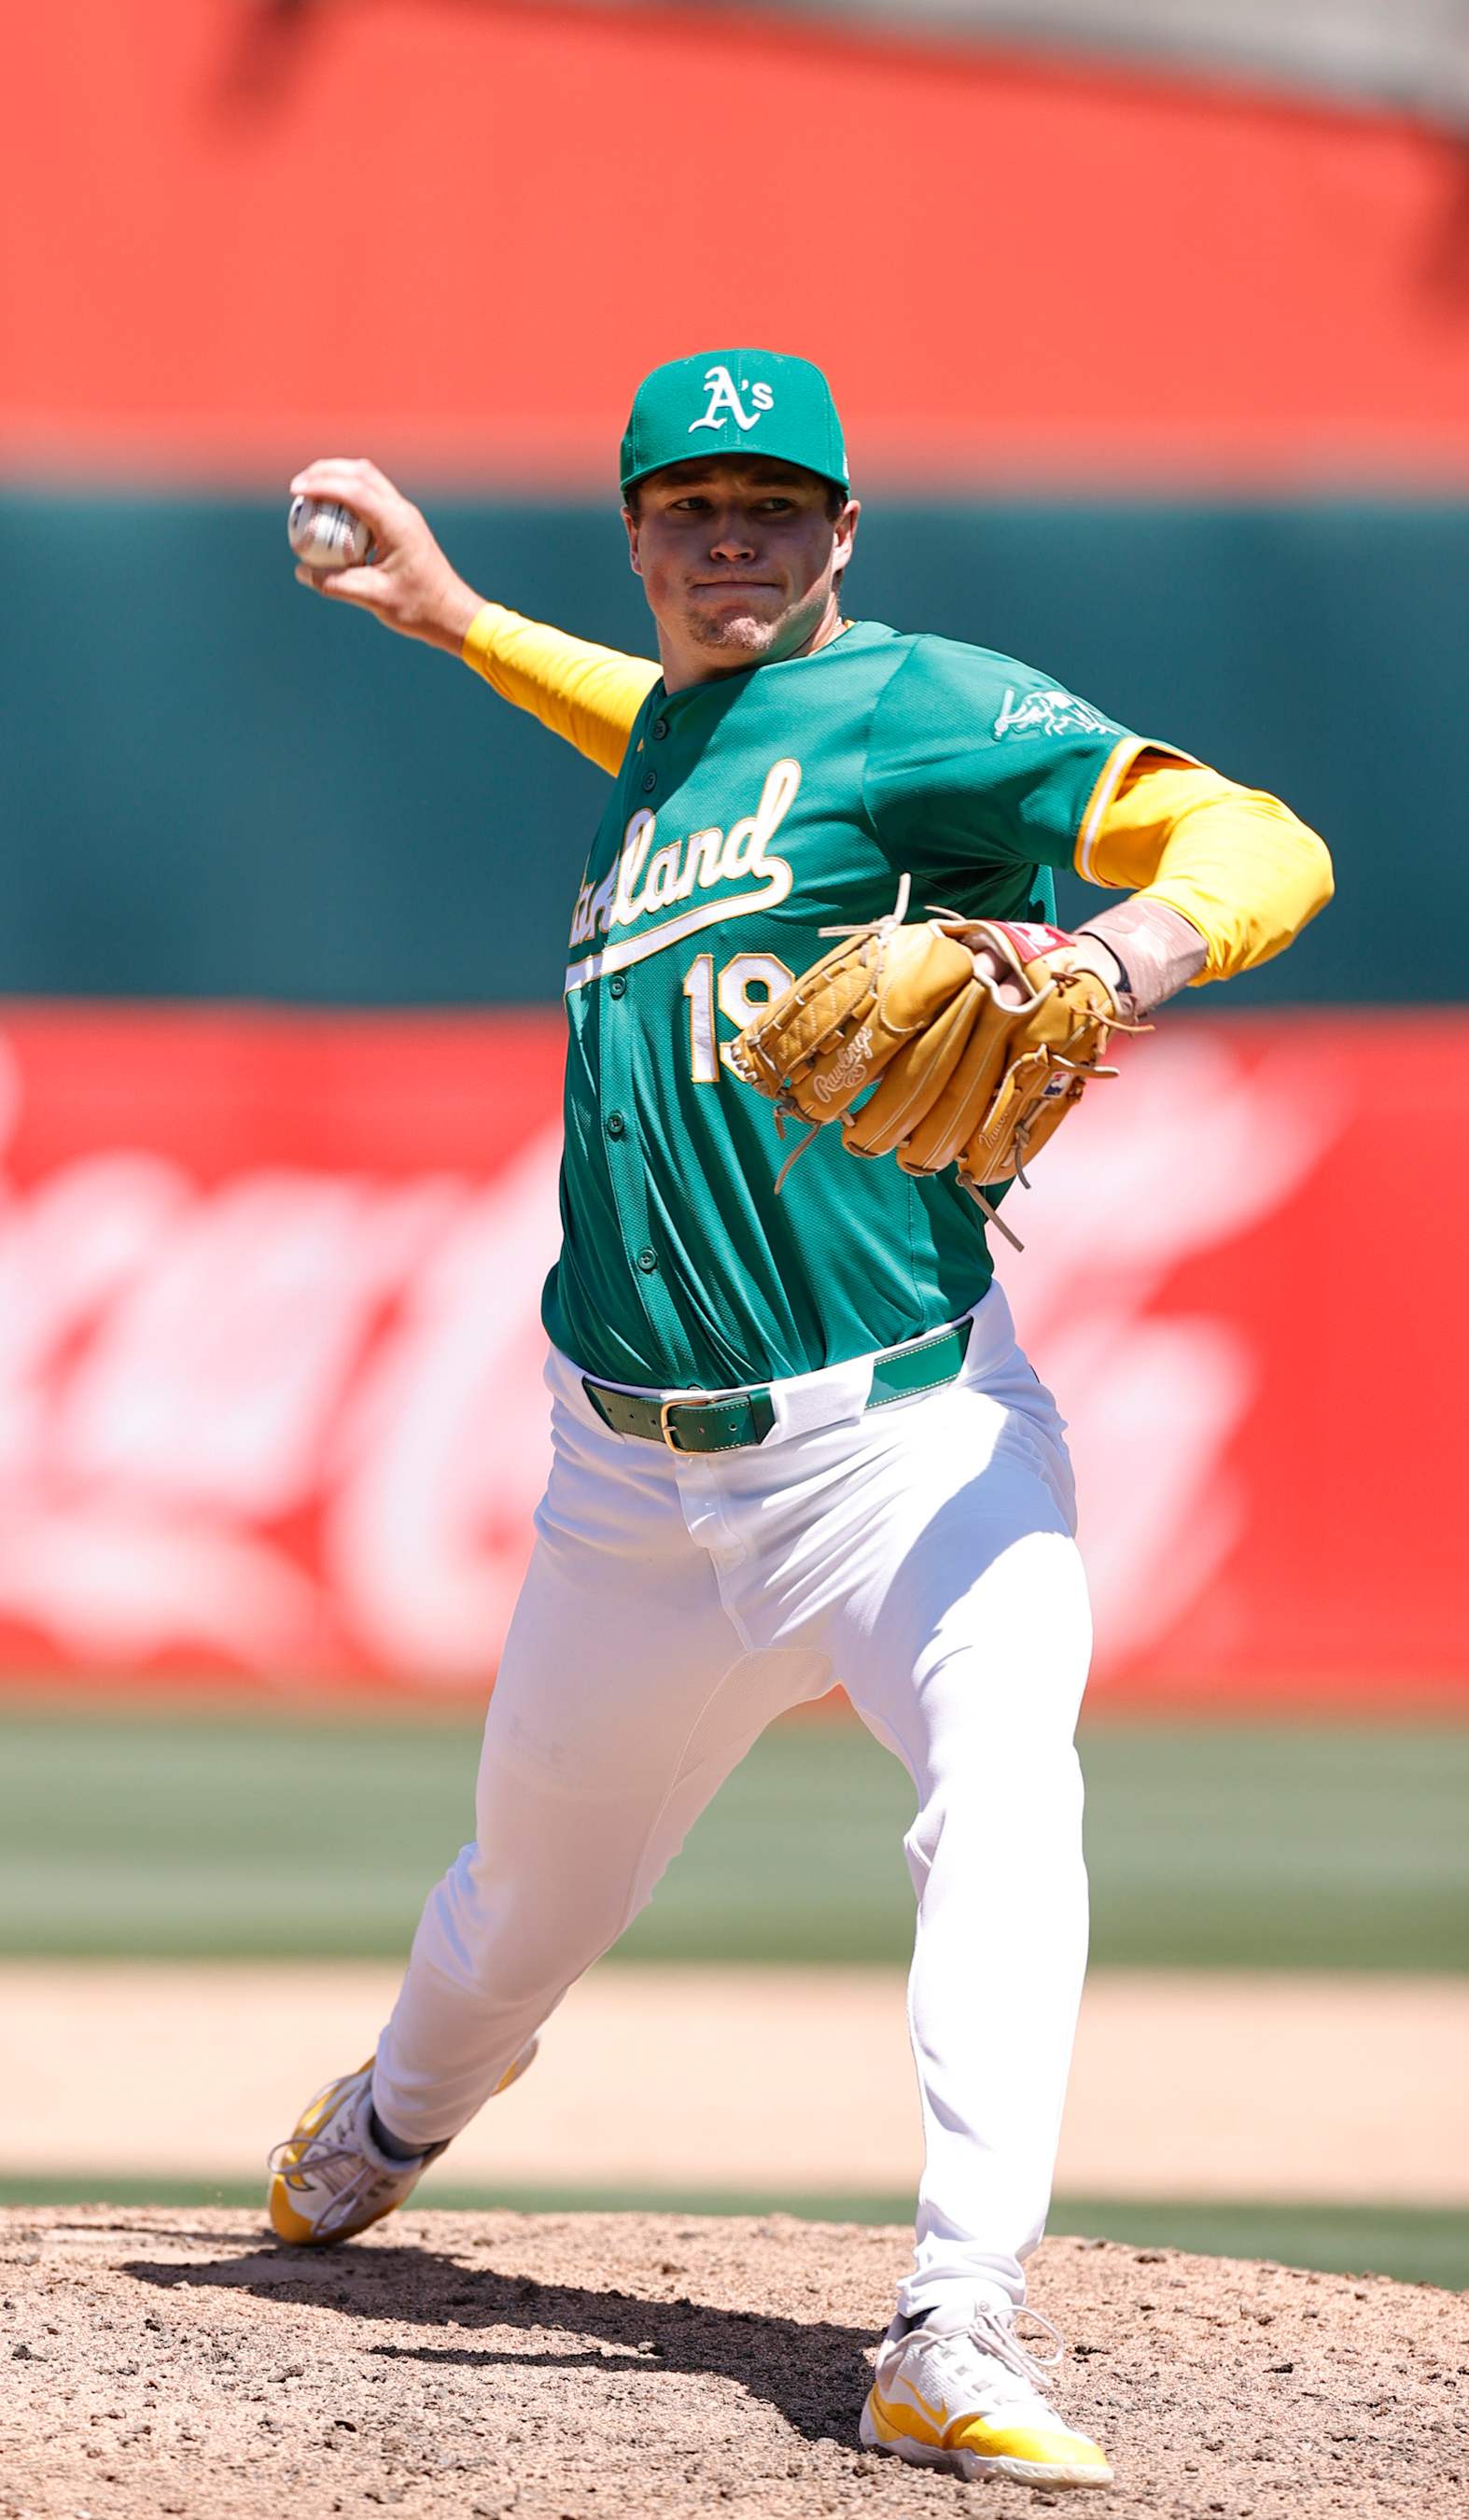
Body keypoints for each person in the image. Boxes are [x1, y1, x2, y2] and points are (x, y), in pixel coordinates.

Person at [268, 350, 1333, 2491]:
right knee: (514, 1918)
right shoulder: (683, 725)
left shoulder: (918, 703)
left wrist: (1108, 962)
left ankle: (956, 2319)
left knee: (1005, 1799)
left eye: (775, 507)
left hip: (905, 1445)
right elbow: (673, 720)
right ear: (641, 535)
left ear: (844, 531)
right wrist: (455, 620)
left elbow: (1261, 839)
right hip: (621, 1482)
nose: (732, 541)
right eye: (692, 509)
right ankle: (387, 2122)